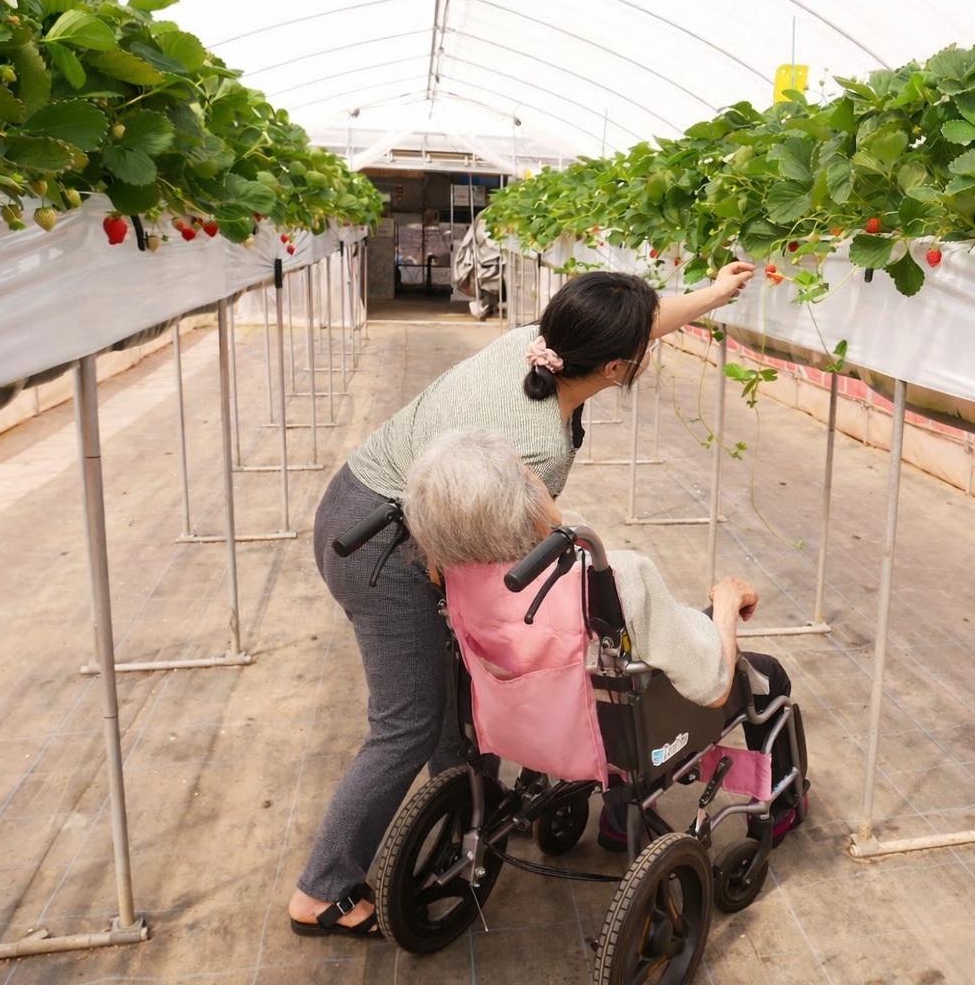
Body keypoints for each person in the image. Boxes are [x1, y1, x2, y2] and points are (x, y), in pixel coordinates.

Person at [288, 264, 754, 938]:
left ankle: (467, 808)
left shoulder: (536, 341)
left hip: (368, 503)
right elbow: (552, 563)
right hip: (382, 549)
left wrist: (711, 295)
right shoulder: (530, 447)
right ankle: (321, 888)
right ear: (621, 367)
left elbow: (621, 324)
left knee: (451, 705)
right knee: (408, 722)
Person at [400, 428, 808, 851]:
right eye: (527, 474)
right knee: (769, 676)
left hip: (536, 721)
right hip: (622, 722)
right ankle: (782, 808)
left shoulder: (455, 580)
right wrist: (727, 601)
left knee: (622, 668)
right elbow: (714, 686)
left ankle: (620, 812)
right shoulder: (613, 575)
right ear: (518, 501)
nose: (539, 480)